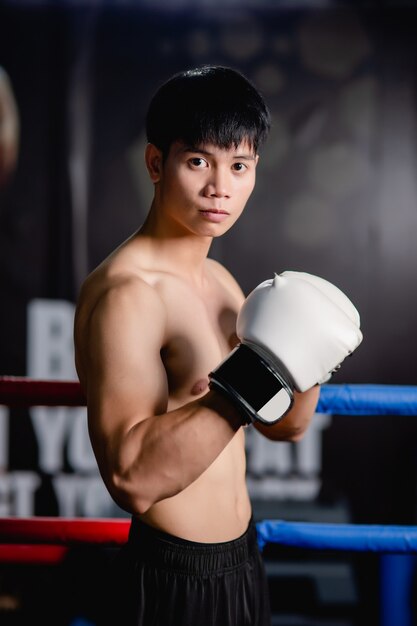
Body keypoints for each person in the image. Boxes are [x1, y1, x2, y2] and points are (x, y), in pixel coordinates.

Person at [73, 66, 362, 626]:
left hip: (242, 564)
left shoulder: (223, 285)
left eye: (239, 166)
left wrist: (308, 360)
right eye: (199, 161)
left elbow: (284, 425)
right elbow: (132, 478)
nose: (220, 188)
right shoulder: (128, 294)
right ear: (157, 163)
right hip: (171, 579)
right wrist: (251, 379)